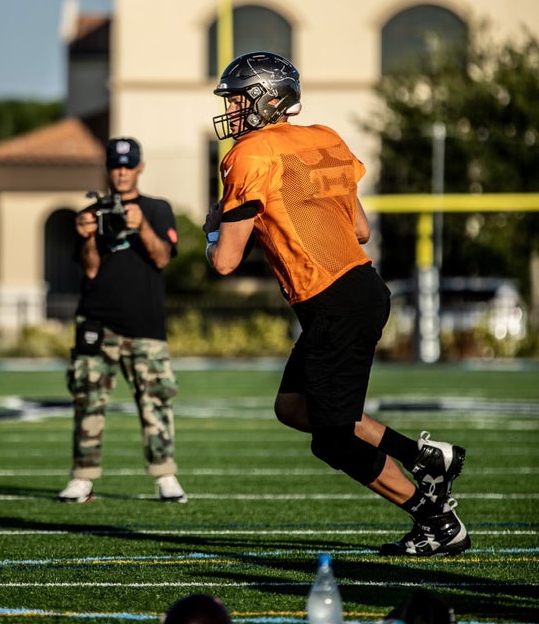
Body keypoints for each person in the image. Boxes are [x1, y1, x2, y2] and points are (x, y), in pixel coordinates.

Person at [202, 51, 469, 557]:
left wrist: (214, 227)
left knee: (331, 437)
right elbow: (361, 231)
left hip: (334, 301)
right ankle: (424, 457)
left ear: (266, 100)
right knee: (295, 407)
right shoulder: (325, 137)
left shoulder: (249, 154)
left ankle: (437, 521)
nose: (231, 109)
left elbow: (225, 263)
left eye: (238, 98)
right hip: (357, 289)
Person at [57, 137, 186, 503]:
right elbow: (90, 269)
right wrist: (86, 236)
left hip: (145, 324)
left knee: (156, 401)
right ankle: (82, 478)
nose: (122, 172)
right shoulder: (92, 212)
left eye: (129, 166)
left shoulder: (158, 209)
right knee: (88, 400)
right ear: (108, 169)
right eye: (116, 166)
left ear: (140, 168)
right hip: (96, 321)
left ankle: (165, 477)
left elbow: (162, 258)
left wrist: (141, 225)